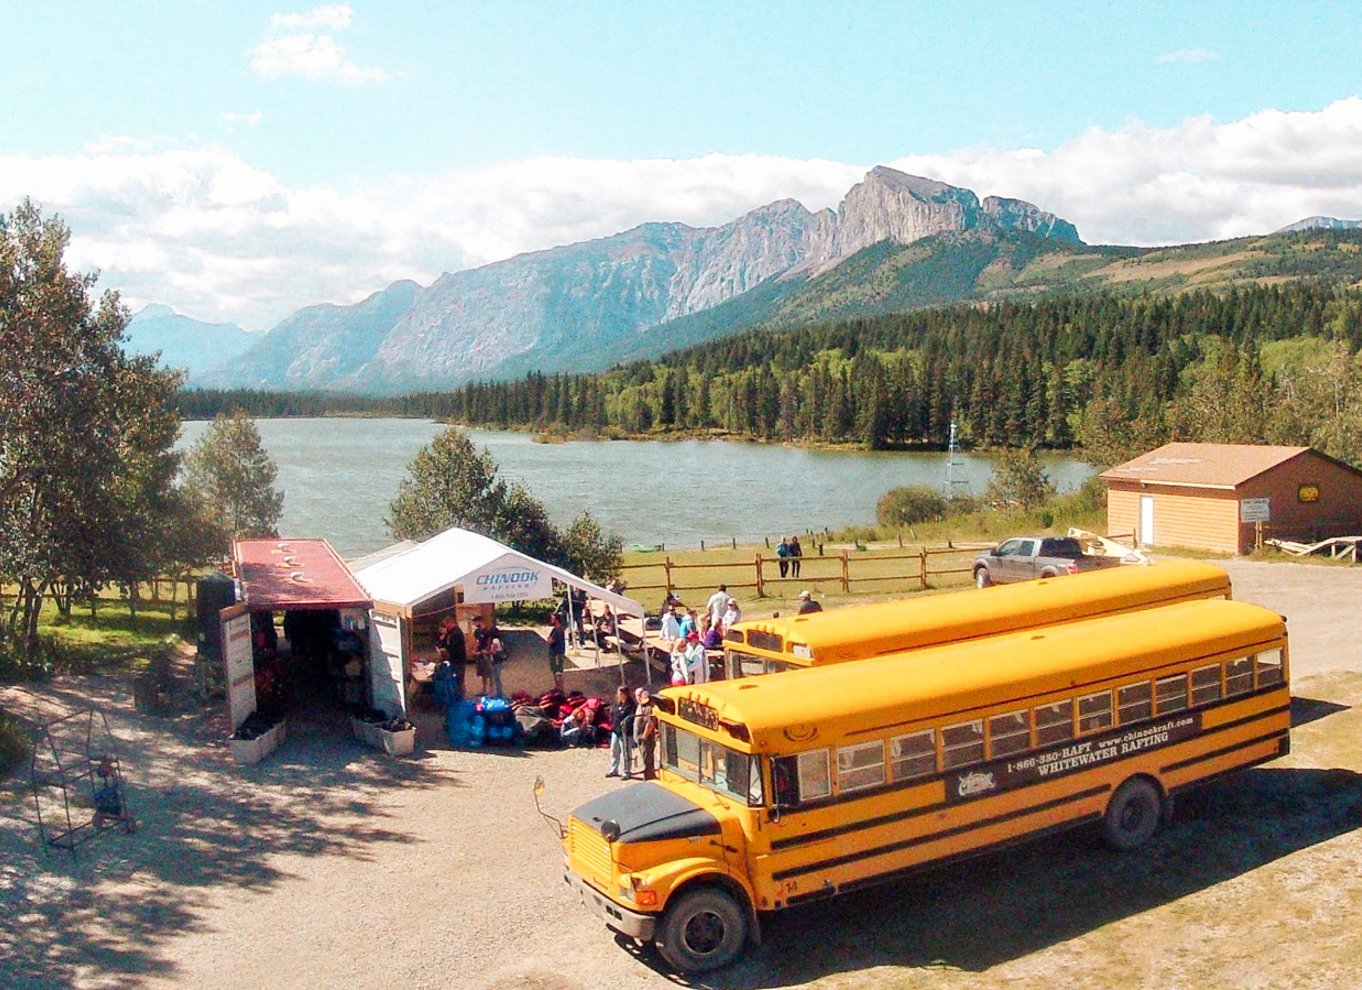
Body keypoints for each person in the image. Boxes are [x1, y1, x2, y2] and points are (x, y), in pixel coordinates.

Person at [606, 686, 636, 778]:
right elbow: (612, 714)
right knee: (614, 751)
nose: (619, 695)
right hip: (616, 731)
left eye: (621, 693)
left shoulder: (631, 705)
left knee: (625, 752)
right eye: (619, 693)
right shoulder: (616, 704)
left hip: (625, 733)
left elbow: (631, 718)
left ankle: (627, 771)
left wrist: (625, 725)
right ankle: (614, 769)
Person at [438, 617, 467, 700]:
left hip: (459, 659)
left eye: (446, 625)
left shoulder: (457, 633)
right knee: (455, 678)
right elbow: (443, 643)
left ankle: (462, 697)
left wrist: (446, 649)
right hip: (453, 659)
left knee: (459, 679)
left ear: (450, 623)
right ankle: (457, 695)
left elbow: (453, 646)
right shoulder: (450, 632)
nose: (446, 627)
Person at [633, 688, 658, 780]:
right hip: (638, 736)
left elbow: (650, 723)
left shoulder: (648, 708)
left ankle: (649, 776)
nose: (639, 698)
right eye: (637, 696)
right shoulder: (640, 706)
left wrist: (644, 736)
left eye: (641, 695)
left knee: (647, 758)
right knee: (644, 757)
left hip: (646, 738)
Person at [472, 616, 495, 696]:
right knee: (482, 673)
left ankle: (492, 690)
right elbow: (477, 641)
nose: (474, 624)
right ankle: (484, 689)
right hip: (479, 654)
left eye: (475, 622)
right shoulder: (477, 631)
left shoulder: (487, 631)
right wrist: (474, 650)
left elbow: (489, 643)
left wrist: (484, 651)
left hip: (486, 654)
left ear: (480, 621)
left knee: (489, 672)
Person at [546, 613, 567, 694]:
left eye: (552, 618)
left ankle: (561, 690)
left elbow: (550, 640)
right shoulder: (555, 629)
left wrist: (549, 639)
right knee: (555, 672)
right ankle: (557, 688)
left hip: (557, 653)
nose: (551, 620)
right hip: (553, 653)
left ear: (557, 620)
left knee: (558, 672)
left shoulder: (558, 630)